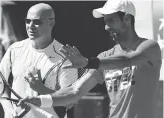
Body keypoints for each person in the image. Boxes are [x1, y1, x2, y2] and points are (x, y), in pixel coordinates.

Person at [17, 0, 162, 118]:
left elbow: (126, 60)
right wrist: (39, 100)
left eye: (110, 20)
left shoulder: (149, 47)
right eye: (105, 21)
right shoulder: (104, 56)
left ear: (127, 19)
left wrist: (88, 62)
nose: (106, 27)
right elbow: (74, 91)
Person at [0, 3, 78, 118]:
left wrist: (41, 89)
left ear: (51, 23)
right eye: (27, 21)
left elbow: (69, 101)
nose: (30, 26)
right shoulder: (14, 49)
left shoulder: (65, 57)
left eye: (37, 22)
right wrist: (8, 109)